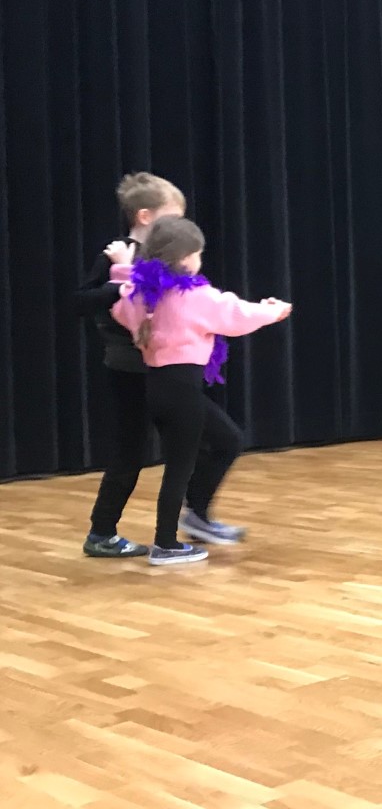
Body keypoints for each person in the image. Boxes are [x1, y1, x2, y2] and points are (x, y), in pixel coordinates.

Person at [109, 217, 292, 565]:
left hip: (160, 388)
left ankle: (195, 516)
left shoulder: (142, 295)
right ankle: (166, 544)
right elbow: (236, 315)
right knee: (180, 466)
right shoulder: (194, 295)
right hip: (181, 391)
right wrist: (273, 311)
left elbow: (121, 308)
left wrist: (122, 271)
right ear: (185, 258)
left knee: (227, 440)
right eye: (198, 253)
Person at [73, 173, 186, 558]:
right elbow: (82, 301)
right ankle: (101, 532)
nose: (178, 227)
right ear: (144, 216)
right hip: (128, 369)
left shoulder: (167, 256)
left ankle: (195, 515)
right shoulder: (117, 254)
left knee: (207, 438)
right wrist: (119, 285)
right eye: (172, 218)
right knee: (130, 452)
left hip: (167, 366)